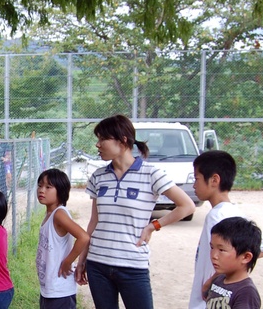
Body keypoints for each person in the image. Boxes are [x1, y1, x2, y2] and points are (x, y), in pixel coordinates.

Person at [75, 114, 195, 309]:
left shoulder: (151, 173)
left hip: (133, 265)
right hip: (98, 264)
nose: (97, 145)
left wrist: (153, 226)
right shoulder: (98, 177)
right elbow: (94, 221)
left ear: (123, 140)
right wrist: (82, 258)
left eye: (102, 139)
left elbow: (186, 206)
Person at [188, 150, 263, 309]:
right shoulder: (231, 212)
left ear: (214, 180)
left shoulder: (218, 216)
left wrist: (215, 277)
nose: (194, 185)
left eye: (197, 179)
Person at [36, 168, 89, 309]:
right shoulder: (50, 214)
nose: (42, 190)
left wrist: (68, 261)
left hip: (60, 291)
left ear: (61, 191)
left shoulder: (59, 214)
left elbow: (83, 237)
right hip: (50, 289)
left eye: (48, 187)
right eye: (40, 185)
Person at [203, 216, 262, 308]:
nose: (214, 255)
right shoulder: (218, 279)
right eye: (212, 248)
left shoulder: (246, 293)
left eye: (221, 250)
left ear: (246, 257)